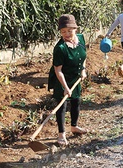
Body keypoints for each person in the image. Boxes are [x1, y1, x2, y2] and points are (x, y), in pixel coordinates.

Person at [48, 14, 87, 146]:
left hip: (75, 77)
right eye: (63, 31)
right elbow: (58, 70)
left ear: (75, 29)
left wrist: (83, 69)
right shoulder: (60, 48)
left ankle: (74, 127)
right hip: (62, 79)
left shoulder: (81, 39)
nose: (67, 34)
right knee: (62, 105)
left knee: (76, 101)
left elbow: (84, 56)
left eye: (69, 31)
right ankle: (61, 135)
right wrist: (65, 87)